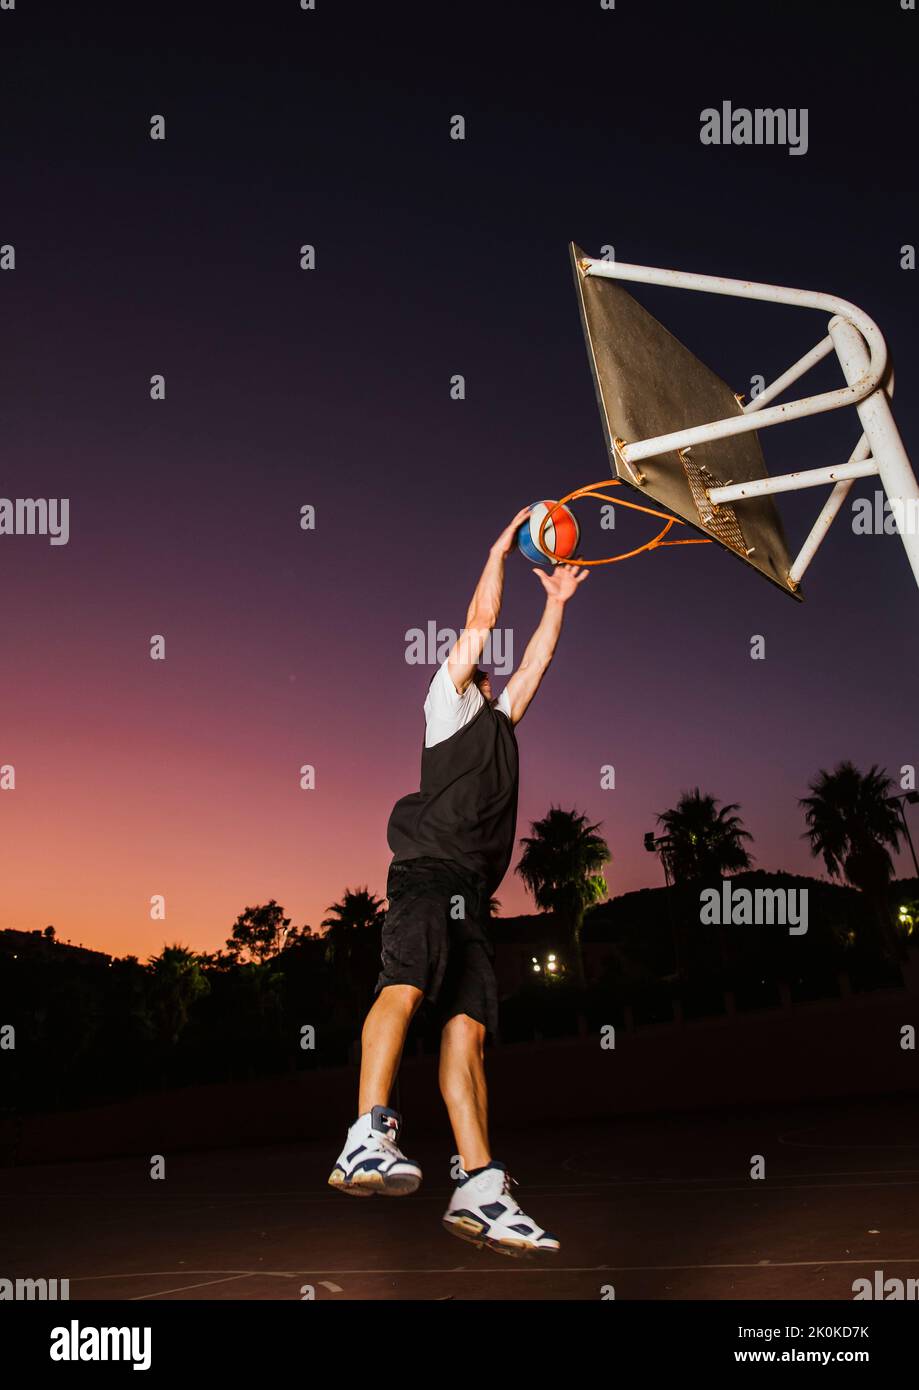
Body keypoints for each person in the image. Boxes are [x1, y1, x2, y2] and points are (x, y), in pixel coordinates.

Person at [328, 507, 588, 1255]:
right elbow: (480, 614)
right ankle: (365, 1135)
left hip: (472, 893)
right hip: (425, 872)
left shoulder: (501, 722)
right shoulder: (444, 703)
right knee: (403, 987)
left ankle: (478, 1186)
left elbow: (535, 663)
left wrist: (557, 603)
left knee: (466, 1033)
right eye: (472, 652)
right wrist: (498, 551)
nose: (483, 655)